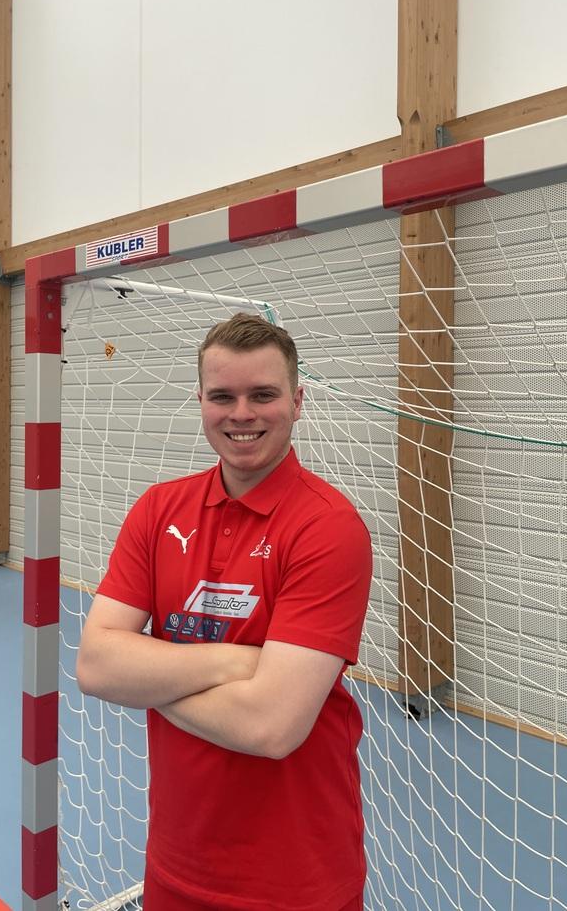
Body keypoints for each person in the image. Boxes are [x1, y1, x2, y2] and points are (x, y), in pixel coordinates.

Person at [77, 312, 372, 911]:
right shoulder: (158, 511)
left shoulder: (327, 528)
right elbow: (96, 666)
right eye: (223, 396)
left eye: (263, 394)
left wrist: (147, 679)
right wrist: (240, 663)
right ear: (202, 402)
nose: (242, 414)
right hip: (174, 866)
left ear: (297, 401)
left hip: (294, 881)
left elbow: (270, 728)